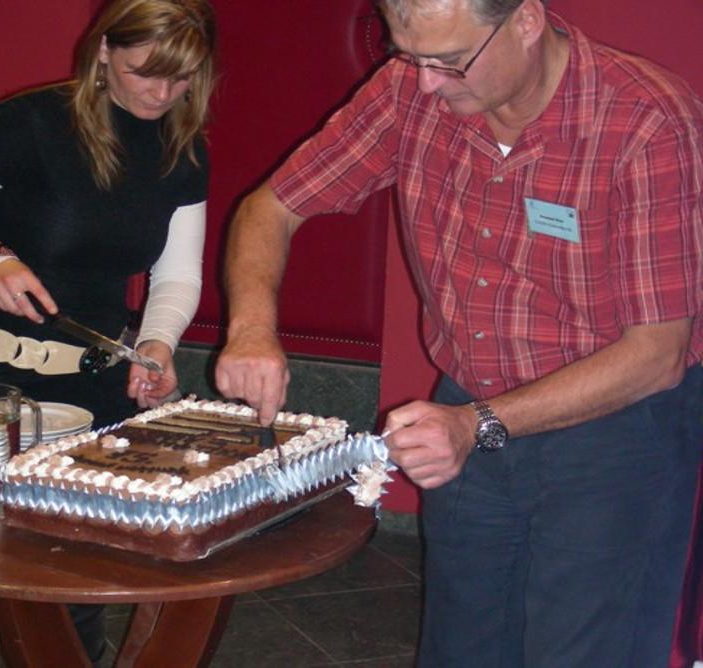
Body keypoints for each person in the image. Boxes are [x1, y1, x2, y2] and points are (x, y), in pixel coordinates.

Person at [214, 0, 702, 666]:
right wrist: (249, 329)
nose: (426, 84)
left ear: (527, 21)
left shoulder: (643, 120)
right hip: (468, 411)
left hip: (615, 431)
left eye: (449, 61)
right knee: (461, 648)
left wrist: (475, 425)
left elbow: (657, 355)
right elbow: (271, 207)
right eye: (410, 57)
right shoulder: (408, 91)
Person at [0, 0, 216, 665]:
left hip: (94, 379)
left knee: (82, 554)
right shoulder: (32, 122)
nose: (162, 94)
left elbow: (178, 275)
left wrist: (156, 343)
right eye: (145, 73)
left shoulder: (181, 149)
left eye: (181, 78)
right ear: (103, 51)